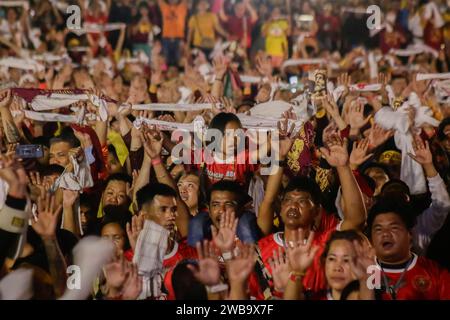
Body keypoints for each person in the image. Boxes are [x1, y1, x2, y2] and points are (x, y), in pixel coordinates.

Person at [367, 196, 450, 299]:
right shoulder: (363, 272)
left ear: (410, 234)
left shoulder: (436, 273)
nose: (385, 234)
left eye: (394, 228)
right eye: (378, 229)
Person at [158, 0, 188, 67]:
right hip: (166, 39)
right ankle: (163, 76)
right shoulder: (165, 7)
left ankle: (180, 76)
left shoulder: (181, 7)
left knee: (179, 61)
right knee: (164, 62)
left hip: (179, 39)